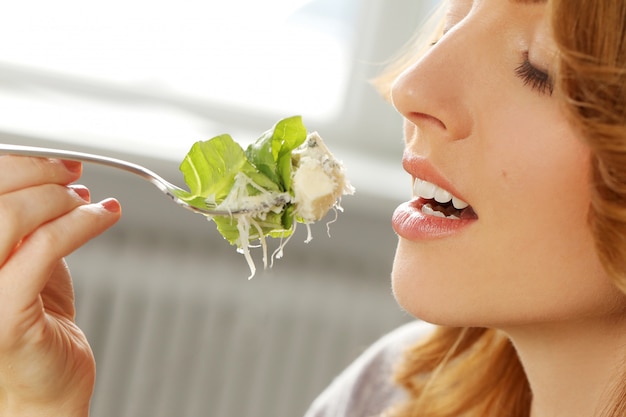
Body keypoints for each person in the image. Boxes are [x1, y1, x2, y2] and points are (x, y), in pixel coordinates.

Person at [2, 0, 626, 416]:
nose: (411, 87)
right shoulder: (392, 392)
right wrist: (37, 404)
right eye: (455, 14)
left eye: (539, 66)